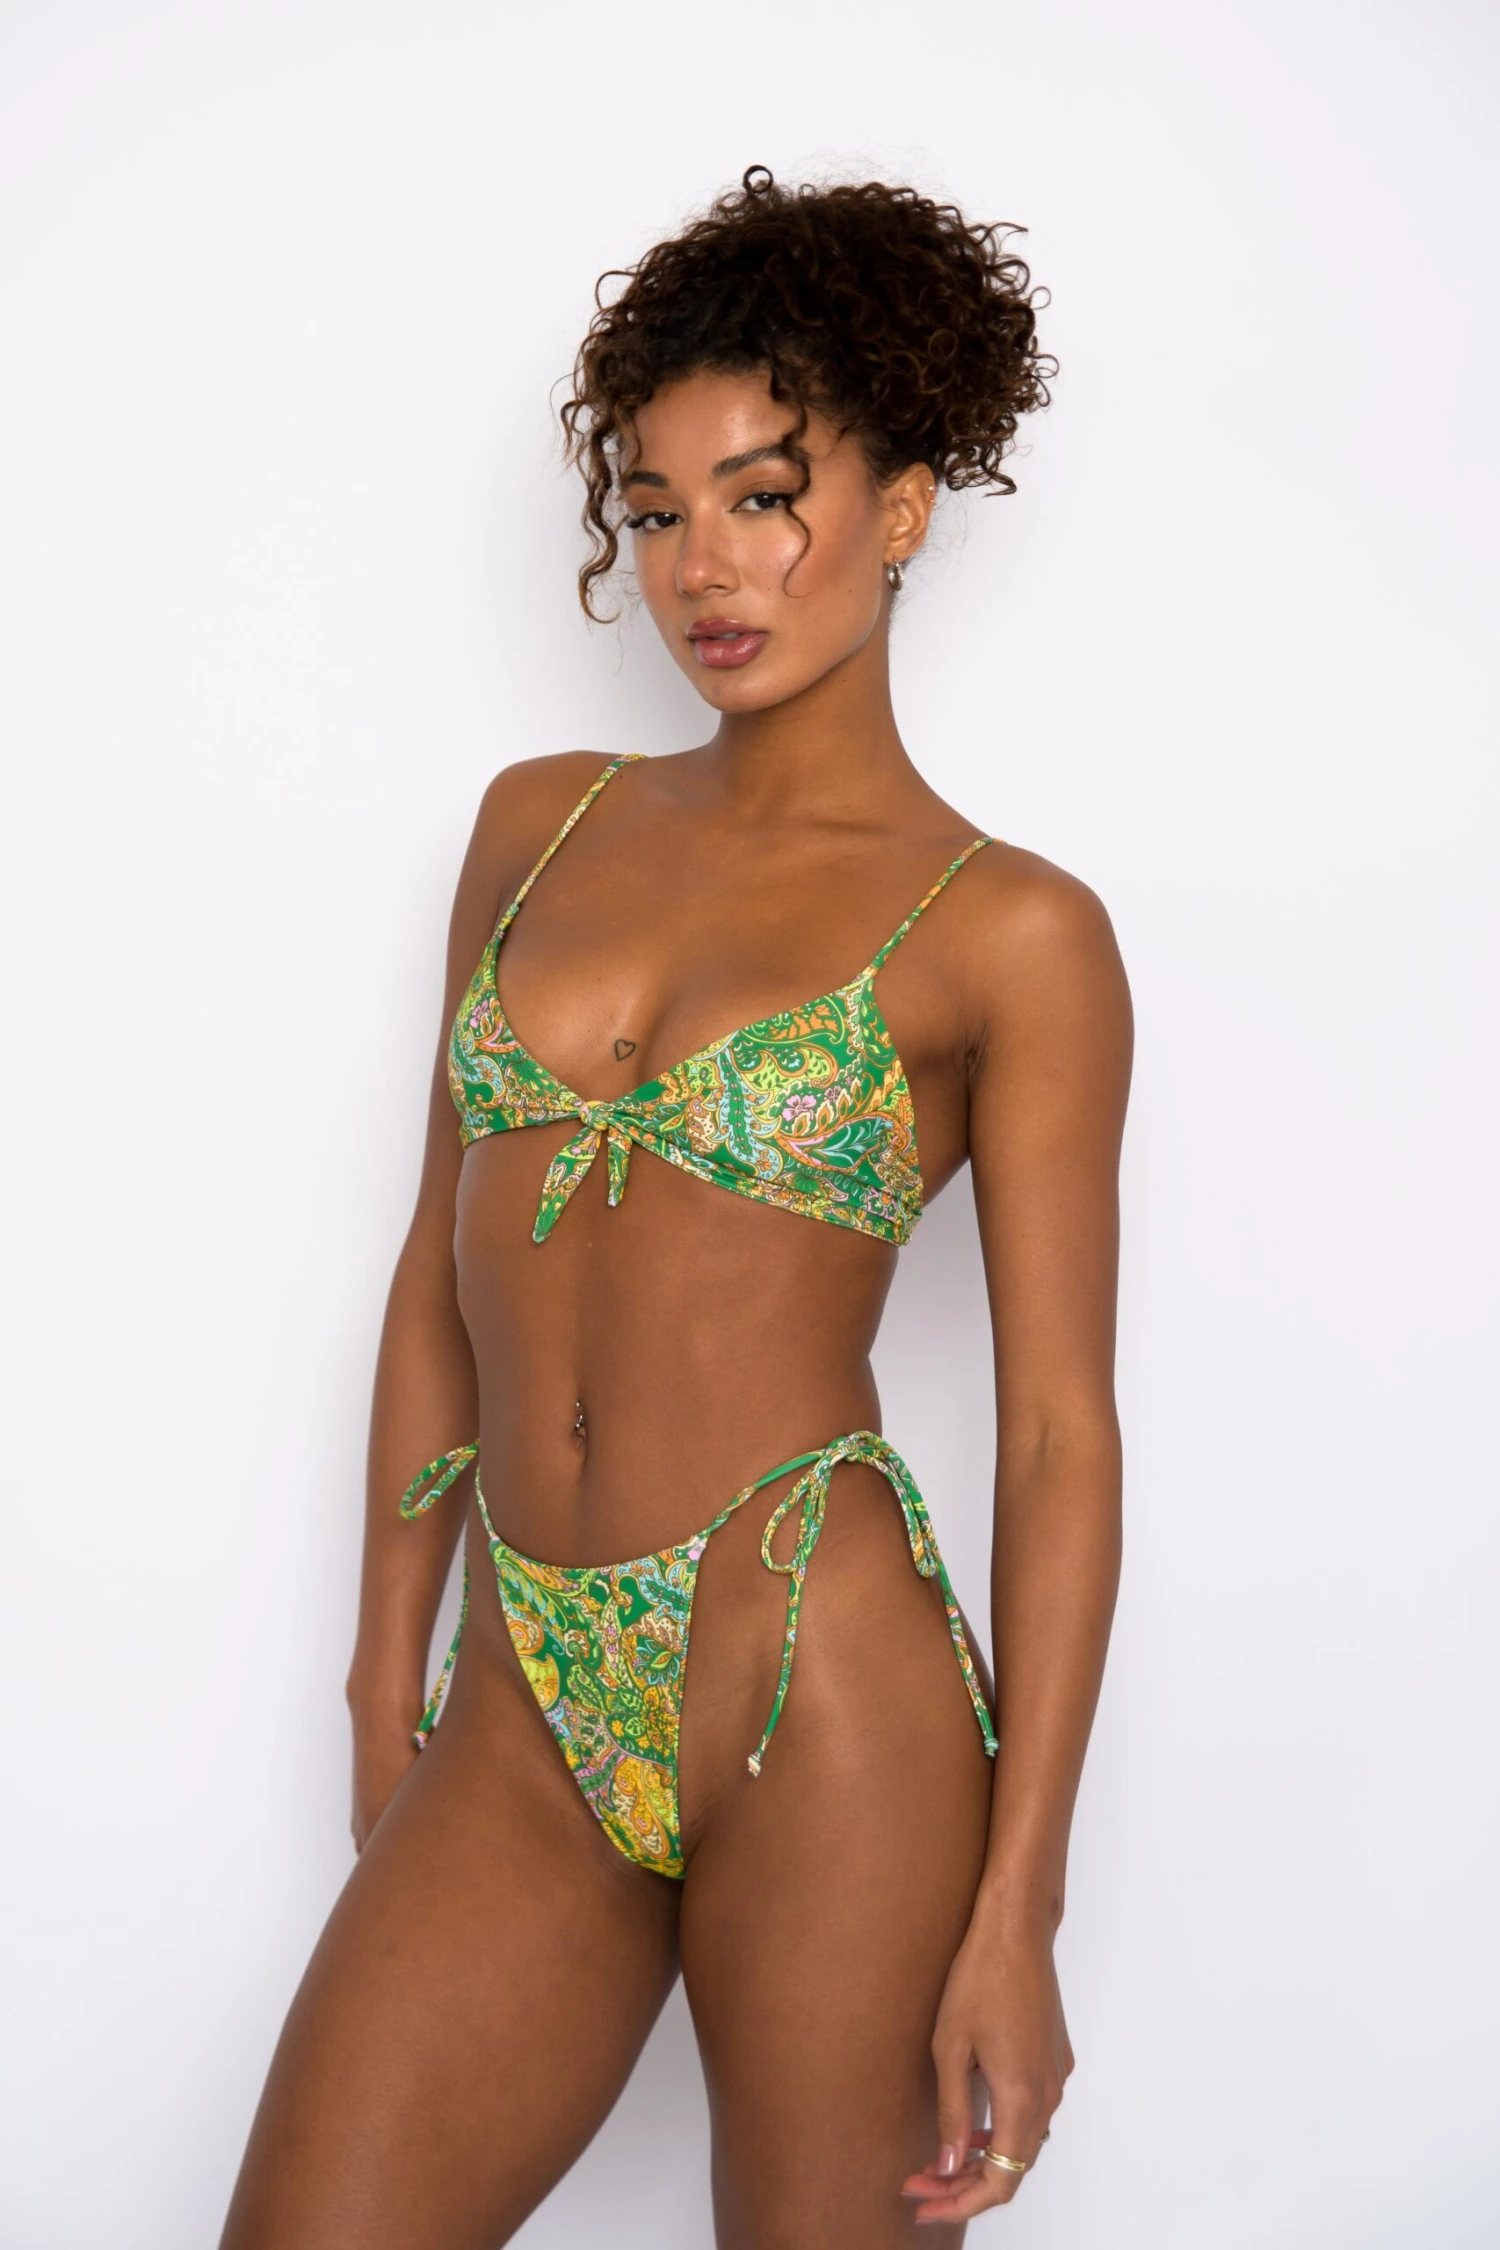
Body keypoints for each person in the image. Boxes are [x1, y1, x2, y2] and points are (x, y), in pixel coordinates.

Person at [220, 166, 1132, 2247]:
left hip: (825, 1696)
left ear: (904, 509)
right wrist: (382, 1680)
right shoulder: (538, 829)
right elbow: (437, 1280)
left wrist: (1020, 1910)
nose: (702, 565)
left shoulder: (1012, 934)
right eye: (654, 510)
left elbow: (1060, 1434)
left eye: (766, 497)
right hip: (525, 1692)